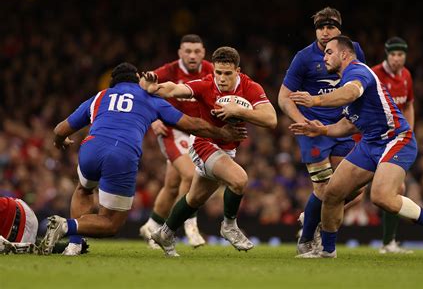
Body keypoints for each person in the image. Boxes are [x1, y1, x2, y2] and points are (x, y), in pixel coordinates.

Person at [39, 62, 246, 255]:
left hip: (91, 147)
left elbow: (60, 129)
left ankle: (74, 245)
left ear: (113, 83)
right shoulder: (149, 97)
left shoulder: (100, 96)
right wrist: (222, 134)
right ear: (138, 78)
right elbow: (191, 124)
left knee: (84, 188)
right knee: (110, 223)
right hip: (122, 153)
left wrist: (60, 141)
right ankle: (65, 226)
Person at [289, 35, 423, 259]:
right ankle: (326, 250)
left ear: (344, 54)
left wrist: (315, 100)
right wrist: (322, 130)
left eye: (328, 52)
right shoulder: (344, 78)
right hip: (370, 142)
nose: (323, 57)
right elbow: (348, 124)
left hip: (396, 139)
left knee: (381, 196)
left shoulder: (357, 71)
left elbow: (352, 92)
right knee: (332, 192)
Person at [141, 46, 277, 257]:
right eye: (218, 73)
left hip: (226, 150)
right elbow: (174, 89)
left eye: (227, 74)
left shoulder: (250, 87)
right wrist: (153, 87)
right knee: (239, 179)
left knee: (193, 199)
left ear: (238, 71)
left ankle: (165, 233)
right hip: (203, 145)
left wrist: (239, 111)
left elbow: (271, 119)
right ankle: (229, 226)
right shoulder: (205, 85)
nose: (221, 78)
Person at [277, 6, 365, 256]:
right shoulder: (304, 58)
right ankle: (307, 241)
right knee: (326, 190)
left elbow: (360, 85)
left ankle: (312, 216)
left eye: (331, 27)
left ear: (340, 29)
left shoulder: (353, 50)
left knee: (356, 187)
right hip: (312, 130)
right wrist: (303, 121)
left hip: (340, 128)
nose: (325, 32)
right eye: (321, 27)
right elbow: (283, 97)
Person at [139, 34, 214, 249]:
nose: (192, 55)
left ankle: (151, 226)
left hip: (195, 131)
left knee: (172, 186)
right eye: (187, 51)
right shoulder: (169, 70)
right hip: (172, 131)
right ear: (180, 53)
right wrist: (152, 119)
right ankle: (188, 224)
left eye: (197, 51)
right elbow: (142, 88)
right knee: (191, 175)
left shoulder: (210, 70)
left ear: (203, 53)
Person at [371, 36, 415, 254]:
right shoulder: (375, 74)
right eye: (393, 54)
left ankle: (388, 243)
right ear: (387, 55)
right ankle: (314, 219)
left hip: (394, 141)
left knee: (398, 188)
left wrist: (408, 132)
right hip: (372, 140)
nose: (397, 59)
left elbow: (408, 106)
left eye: (401, 55)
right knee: (353, 193)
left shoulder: (406, 76)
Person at [0, 196, 88, 255]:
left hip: (18, 224)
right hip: (22, 208)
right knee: (35, 243)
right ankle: (63, 246)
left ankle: (20, 246)